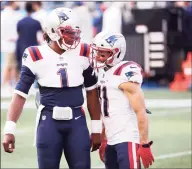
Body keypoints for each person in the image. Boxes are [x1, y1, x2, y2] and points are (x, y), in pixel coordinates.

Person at [2, 7, 102, 169]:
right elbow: (20, 94)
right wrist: (9, 129)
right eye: (67, 32)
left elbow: (92, 91)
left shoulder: (84, 51)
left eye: (74, 32)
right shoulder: (35, 54)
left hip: (77, 121)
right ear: (53, 32)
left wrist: (97, 128)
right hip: (48, 122)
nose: (73, 37)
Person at [89, 31, 154, 169]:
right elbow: (106, 111)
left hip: (127, 138)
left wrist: (144, 143)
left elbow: (140, 110)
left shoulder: (125, 72)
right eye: (97, 53)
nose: (98, 57)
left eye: (103, 54)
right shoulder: (102, 73)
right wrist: (103, 138)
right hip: (111, 139)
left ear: (116, 53)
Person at [1, 1, 23, 97]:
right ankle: (4, 86)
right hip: (9, 44)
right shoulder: (6, 14)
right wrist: (9, 37)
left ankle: (10, 85)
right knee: (8, 65)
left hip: (12, 44)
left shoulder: (12, 14)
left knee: (13, 65)